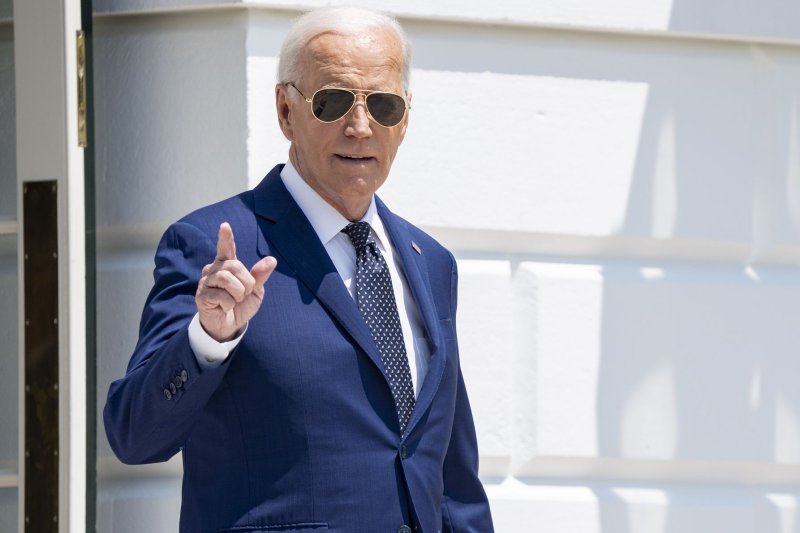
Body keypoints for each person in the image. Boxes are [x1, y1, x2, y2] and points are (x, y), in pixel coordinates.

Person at [103, 6, 494, 533]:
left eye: (383, 104)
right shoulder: (215, 245)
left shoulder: (432, 263)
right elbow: (134, 435)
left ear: (405, 119)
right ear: (286, 110)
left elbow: (451, 474)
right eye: (333, 102)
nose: (360, 127)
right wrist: (209, 339)